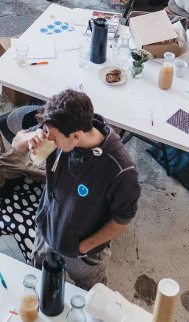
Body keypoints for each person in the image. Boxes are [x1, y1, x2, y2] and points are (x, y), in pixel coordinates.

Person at [11, 89, 140, 289]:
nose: (48, 139)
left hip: (83, 256)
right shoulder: (58, 126)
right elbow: (16, 143)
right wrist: (29, 138)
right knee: (40, 285)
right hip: (47, 231)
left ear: (75, 136)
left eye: (53, 137)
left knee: (89, 298)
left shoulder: (120, 169)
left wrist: (83, 248)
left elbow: (122, 220)